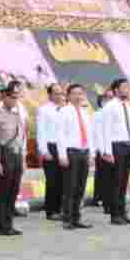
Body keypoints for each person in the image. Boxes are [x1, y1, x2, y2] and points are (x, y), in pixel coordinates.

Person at [96, 78, 130, 225]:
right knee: (116, 182)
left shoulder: (127, 106)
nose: (127, 89)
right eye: (124, 87)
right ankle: (115, 214)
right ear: (116, 90)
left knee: (124, 182)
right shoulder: (110, 107)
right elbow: (105, 130)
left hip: (127, 145)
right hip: (115, 146)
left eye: (128, 87)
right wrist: (107, 151)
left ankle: (122, 211)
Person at [56, 83, 95, 230]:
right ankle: (67, 219)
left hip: (84, 152)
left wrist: (91, 153)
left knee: (80, 187)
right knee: (70, 187)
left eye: (80, 93)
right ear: (68, 96)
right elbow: (60, 134)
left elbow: (90, 134)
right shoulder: (64, 111)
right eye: (74, 93)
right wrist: (62, 155)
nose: (78, 96)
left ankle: (77, 217)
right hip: (71, 153)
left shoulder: (85, 112)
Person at [0, 80, 26, 236]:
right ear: (3, 96)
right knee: (4, 191)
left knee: (13, 190)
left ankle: (9, 224)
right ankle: (0, 226)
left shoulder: (18, 113)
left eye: (16, 97)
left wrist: (23, 158)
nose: (14, 100)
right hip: (5, 154)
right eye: (11, 97)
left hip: (17, 154)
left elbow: (22, 137)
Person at [37, 84, 63, 222]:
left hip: (63, 147)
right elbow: (41, 131)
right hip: (50, 147)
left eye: (61, 93)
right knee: (52, 180)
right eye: (56, 93)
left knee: (62, 180)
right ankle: (51, 210)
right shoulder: (44, 110)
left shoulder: (65, 109)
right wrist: (44, 150)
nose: (59, 96)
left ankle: (60, 209)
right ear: (50, 95)